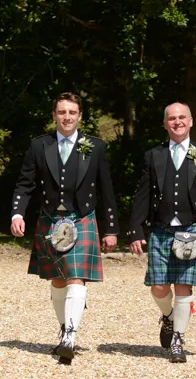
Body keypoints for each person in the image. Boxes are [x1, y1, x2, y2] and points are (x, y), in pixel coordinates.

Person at [10, 92, 119, 364]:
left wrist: (111, 229)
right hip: (50, 219)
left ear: (80, 116)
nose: (67, 117)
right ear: (54, 116)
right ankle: (63, 329)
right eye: (62, 112)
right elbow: (25, 184)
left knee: (76, 277)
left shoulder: (95, 146)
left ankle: (70, 335)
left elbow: (107, 189)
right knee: (58, 280)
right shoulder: (39, 146)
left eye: (72, 112)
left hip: (82, 218)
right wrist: (17, 213)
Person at [127, 103, 196, 363]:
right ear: (165, 124)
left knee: (183, 286)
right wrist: (135, 229)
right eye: (172, 118)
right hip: (160, 229)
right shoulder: (154, 156)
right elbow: (143, 194)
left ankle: (178, 341)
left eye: (182, 117)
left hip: (191, 230)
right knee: (159, 287)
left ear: (191, 121)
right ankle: (169, 317)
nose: (177, 122)